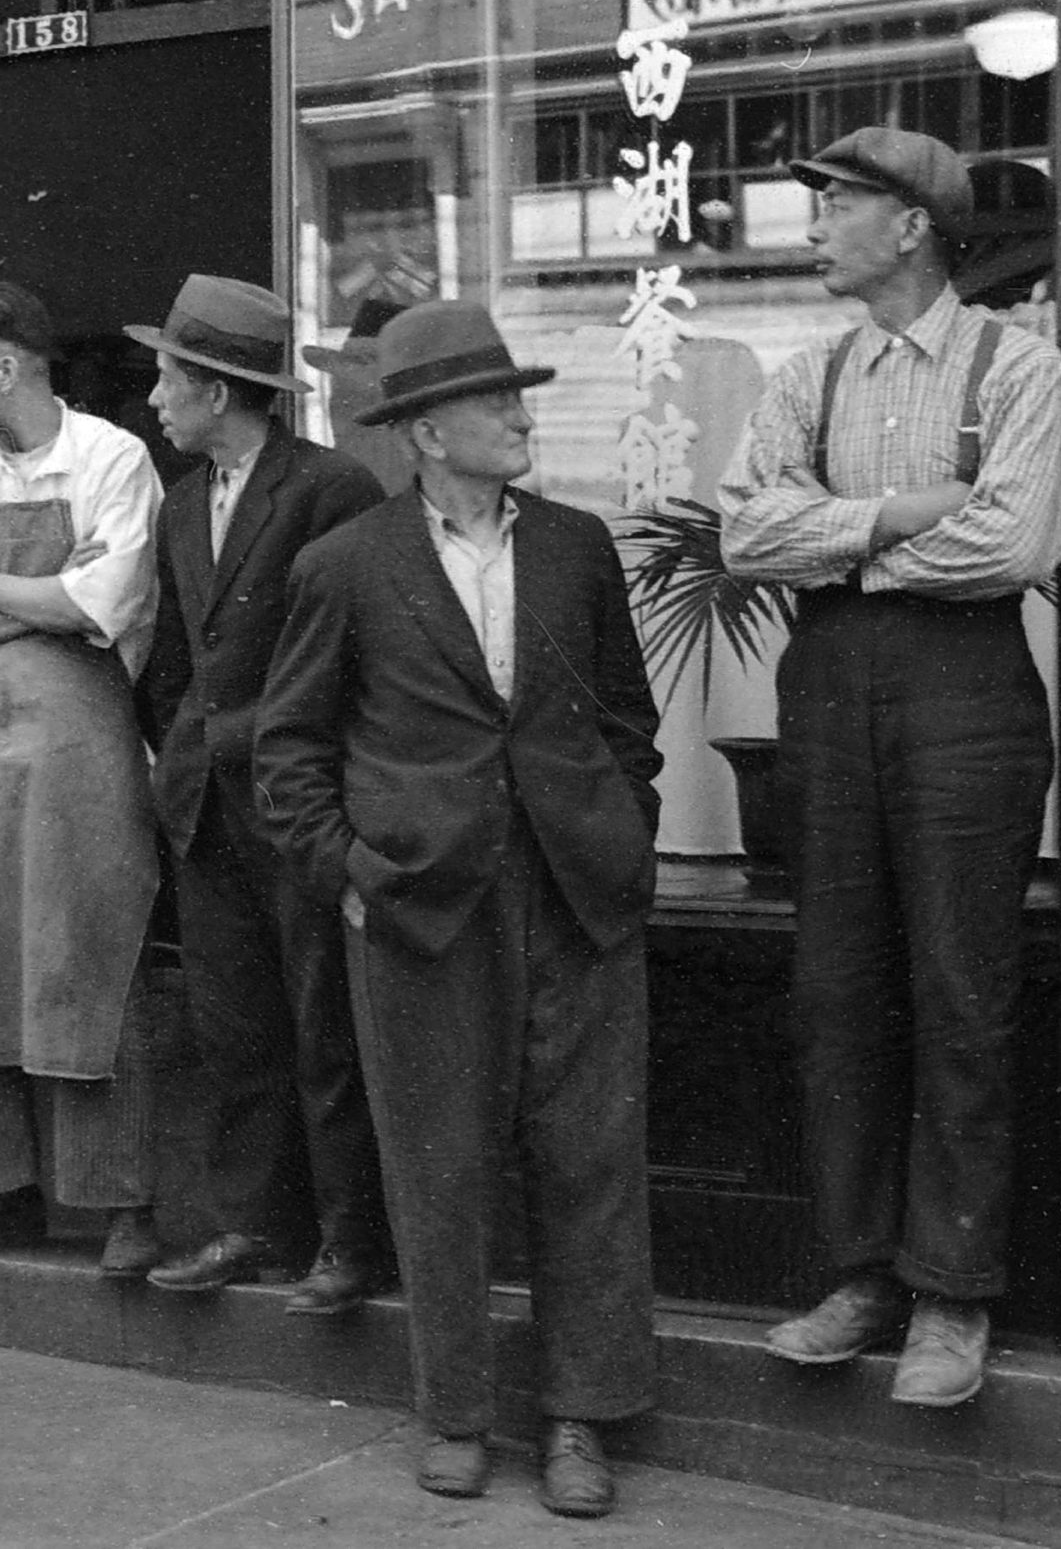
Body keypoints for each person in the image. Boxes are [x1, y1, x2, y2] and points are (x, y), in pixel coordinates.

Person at [256, 300, 663, 1517]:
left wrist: (616, 827)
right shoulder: (347, 564)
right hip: (418, 906)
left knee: (588, 1155)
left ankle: (579, 1420)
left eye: (516, 397)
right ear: (427, 431)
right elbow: (289, 752)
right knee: (436, 1162)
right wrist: (353, 878)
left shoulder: (578, 547)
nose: (520, 416)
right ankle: (457, 1413)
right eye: (495, 403)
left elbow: (627, 722)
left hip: (573, 893)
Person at [717, 127, 1061, 1409]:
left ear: (912, 224)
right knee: (837, 984)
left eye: (835, 203)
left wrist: (844, 547)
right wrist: (895, 515)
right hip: (829, 697)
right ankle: (862, 1270)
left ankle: (952, 1292)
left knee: (963, 988)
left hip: (966, 700)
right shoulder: (805, 373)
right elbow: (746, 529)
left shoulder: (1015, 368)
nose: (812, 222)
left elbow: (1013, 539)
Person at [124, 275, 394, 1315]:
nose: (153, 397)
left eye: (166, 378)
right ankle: (251, 1223)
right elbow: (174, 663)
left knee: (324, 1028)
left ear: (219, 390)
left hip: (300, 805)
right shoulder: (182, 502)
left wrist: (244, 745)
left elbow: (351, 661)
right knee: (234, 1026)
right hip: (206, 810)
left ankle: (346, 1238)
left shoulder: (330, 490)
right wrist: (176, 758)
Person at [0, 278, 167, 1279]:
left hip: (83, 751)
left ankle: (121, 1203)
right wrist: (42, 602)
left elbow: (109, 599)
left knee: (94, 962)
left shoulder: (112, 456)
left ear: (3, 365)